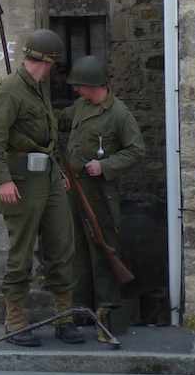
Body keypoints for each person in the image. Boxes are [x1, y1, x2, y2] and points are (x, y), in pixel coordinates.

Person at [0, 29, 82, 347]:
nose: (54, 69)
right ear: (46, 60)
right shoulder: (11, 90)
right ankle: (16, 321)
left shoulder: (38, 89)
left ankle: (64, 317)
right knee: (21, 253)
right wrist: (2, 180)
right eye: (53, 62)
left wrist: (59, 170)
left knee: (61, 246)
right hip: (21, 182)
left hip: (48, 176)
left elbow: (47, 136)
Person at [61, 56, 145, 342]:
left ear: (93, 86)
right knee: (76, 252)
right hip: (74, 189)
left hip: (99, 193)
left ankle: (107, 315)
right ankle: (79, 311)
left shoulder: (119, 114)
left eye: (80, 86)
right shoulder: (81, 107)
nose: (76, 91)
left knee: (103, 250)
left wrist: (105, 166)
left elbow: (136, 150)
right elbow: (59, 121)